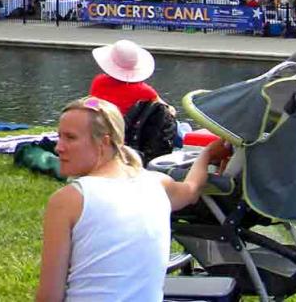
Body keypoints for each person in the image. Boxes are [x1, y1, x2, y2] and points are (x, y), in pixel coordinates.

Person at [36, 97, 228, 302]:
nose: (58, 147)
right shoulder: (157, 184)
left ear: (105, 142)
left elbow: (50, 296)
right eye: (59, 137)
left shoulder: (69, 200)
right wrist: (206, 155)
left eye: (70, 138)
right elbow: (191, 189)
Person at [87, 40, 164, 117]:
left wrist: (85, 104)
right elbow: (168, 110)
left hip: (103, 125)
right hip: (130, 127)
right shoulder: (145, 91)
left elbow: (93, 103)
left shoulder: (99, 81)